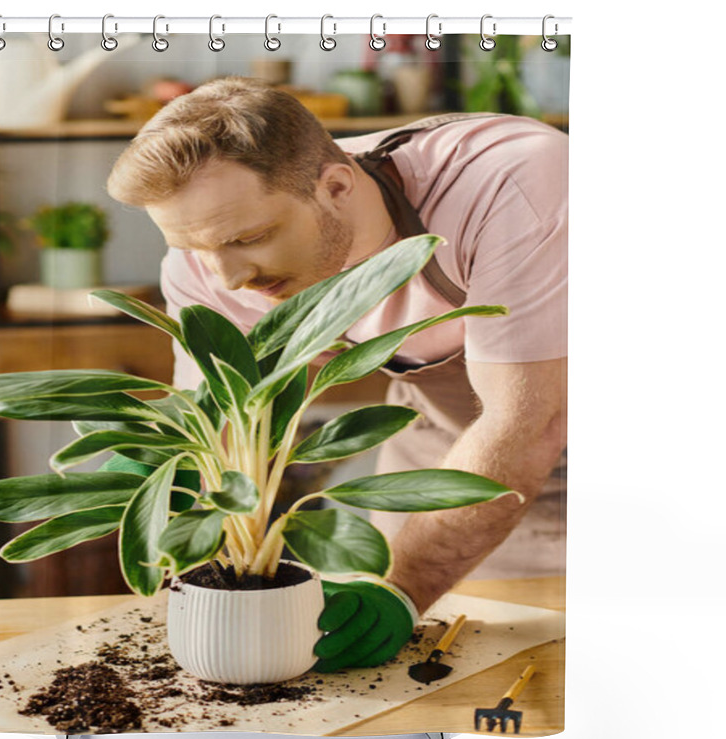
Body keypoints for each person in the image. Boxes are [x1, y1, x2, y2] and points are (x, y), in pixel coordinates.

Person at [105, 76, 568, 672]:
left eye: (249, 238)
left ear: (337, 185)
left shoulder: (513, 182)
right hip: (453, 440)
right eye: (195, 249)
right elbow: (215, 420)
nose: (225, 278)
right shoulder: (209, 254)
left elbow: (531, 420)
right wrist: (166, 459)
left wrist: (405, 587)